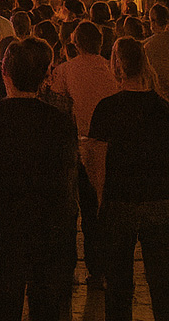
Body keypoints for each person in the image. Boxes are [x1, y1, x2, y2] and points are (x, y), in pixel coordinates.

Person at [0, 36, 79, 321]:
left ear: (6, 74)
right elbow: (69, 169)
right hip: (49, 226)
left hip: (1, 227)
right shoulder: (60, 121)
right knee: (47, 305)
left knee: (0, 304)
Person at [84, 36, 169, 320]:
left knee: (118, 285)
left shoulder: (107, 108)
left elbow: (96, 159)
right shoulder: (163, 108)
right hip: (159, 202)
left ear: (118, 66)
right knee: (162, 284)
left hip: (119, 202)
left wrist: (100, 198)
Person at [48, 18, 118, 287]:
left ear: (75, 44)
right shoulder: (112, 69)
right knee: (107, 209)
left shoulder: (66, 70)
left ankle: (93, 268)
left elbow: (58, 105)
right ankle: (110, 265)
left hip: (81, 146)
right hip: (111, 147)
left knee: (85, 211)